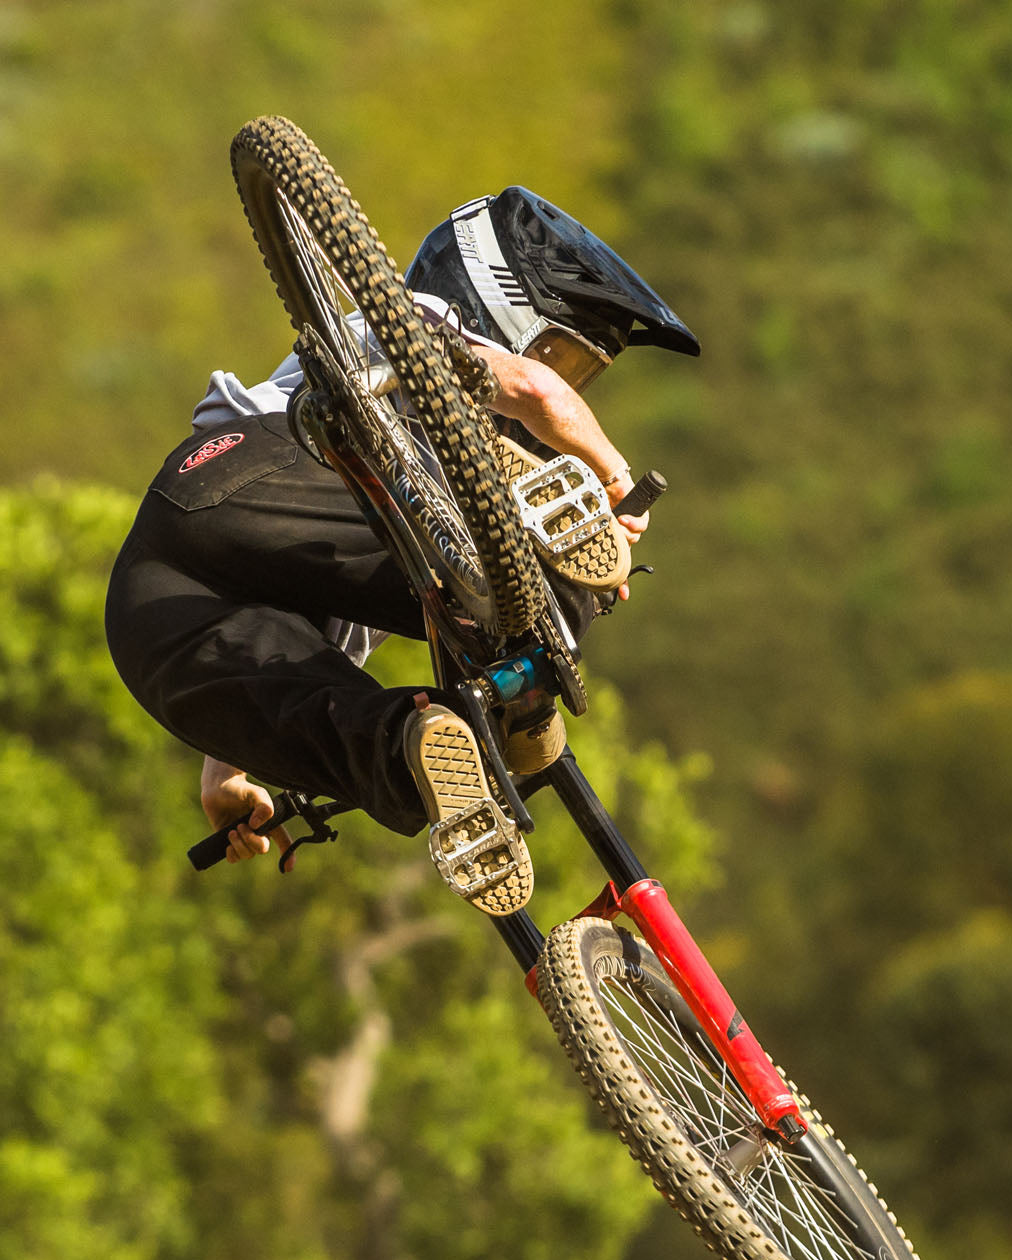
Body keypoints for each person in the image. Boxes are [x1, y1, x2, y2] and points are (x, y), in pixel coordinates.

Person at [105, 186, 699, 914]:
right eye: (564, 355)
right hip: (267, 464)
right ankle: (527, 671)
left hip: (153, 599)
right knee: (558, 579)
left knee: (389, 751)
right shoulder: (416, 319)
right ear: (499, 296)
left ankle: (416, 743)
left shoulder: (418, 537)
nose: (569, 383)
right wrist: (608, 479)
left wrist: (223, 774)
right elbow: (533, 390)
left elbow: (283, 627)